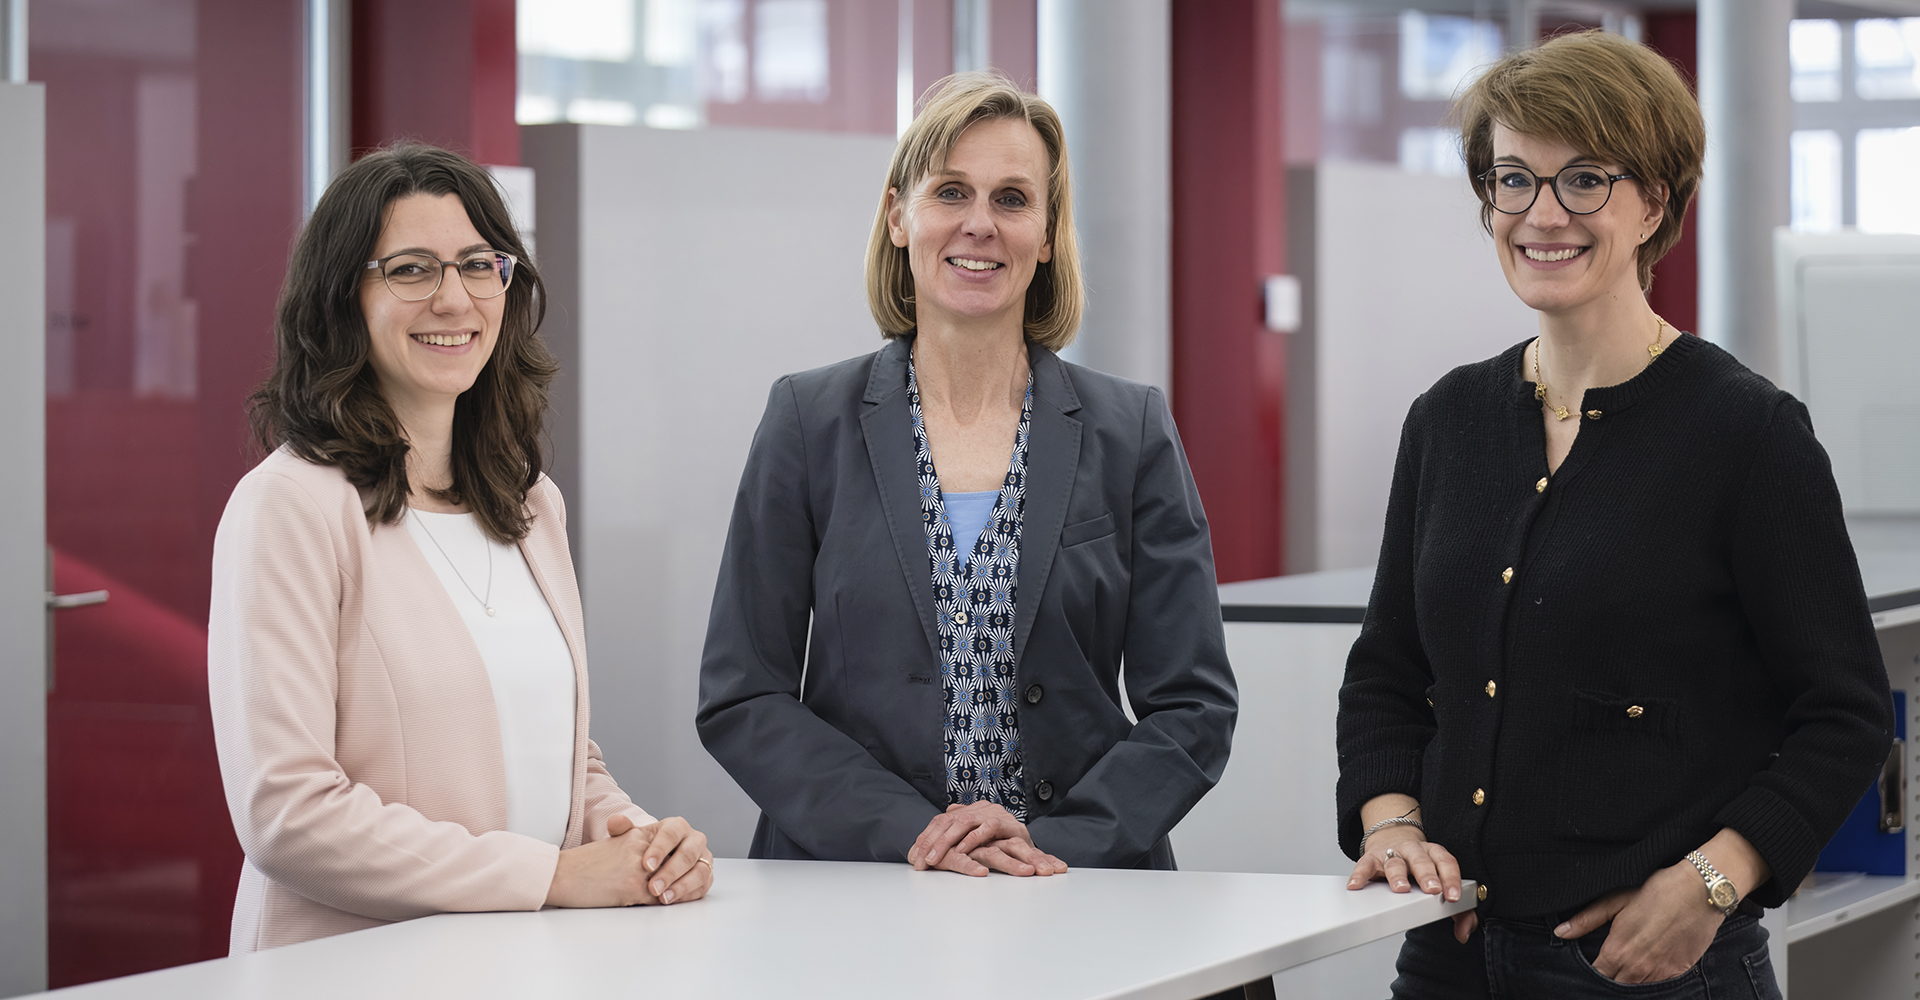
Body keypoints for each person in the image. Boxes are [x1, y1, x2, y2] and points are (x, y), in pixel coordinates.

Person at [1335, 31, 1895, 998]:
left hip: (1652, 967)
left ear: (1656, 204)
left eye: (1584, 179)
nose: (1542, 214)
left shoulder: (1746, 431)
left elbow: (1842, 714)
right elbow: (1389, 672)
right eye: (1513, 179)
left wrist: (1715, 881)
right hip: (1449, 954)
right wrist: (1389, 823)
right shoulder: (1447, 420)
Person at [698, 72, 1238, 878]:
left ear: (1048, 232)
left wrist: (1058, 844)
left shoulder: (1131, 431)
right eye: (951, 191)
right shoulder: (808, 421)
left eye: (1013, 199)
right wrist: (910, 832)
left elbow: (1193, 706)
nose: (980, 224)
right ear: (898, 216)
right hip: (855, 884)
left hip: (1077, 890)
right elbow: (743, 695)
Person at [209, 143, 712, 953]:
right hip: (348, 968)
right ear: (345, 299)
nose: (455, 298)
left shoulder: (529, 505)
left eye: (480, 264)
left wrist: (641, 843)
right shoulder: (289, 507)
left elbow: (558, 755)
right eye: (411, 269)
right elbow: (288, 814)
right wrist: (549, 878)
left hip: (511, 957)